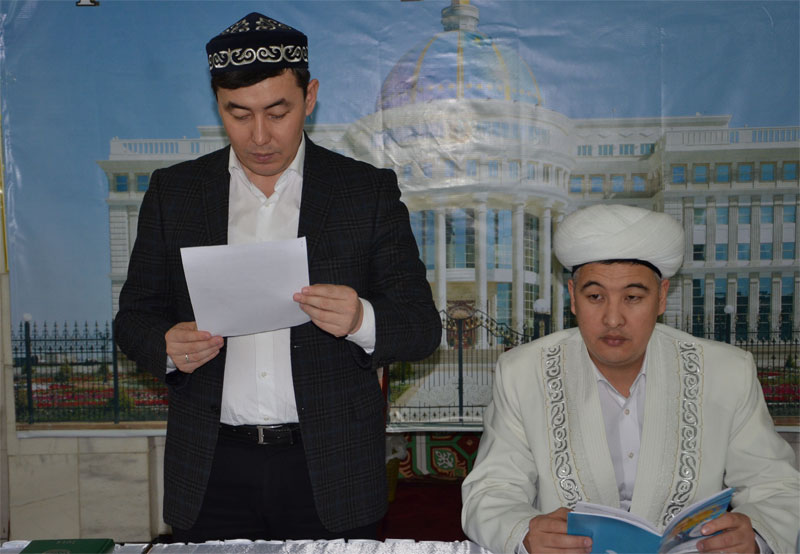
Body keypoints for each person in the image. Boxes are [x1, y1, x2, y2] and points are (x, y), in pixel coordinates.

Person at [114, 12, 441, 542]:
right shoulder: (176, 193)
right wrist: (166, 346)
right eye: (238, 114)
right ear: (217, 103)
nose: (260, 136)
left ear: (309, 97)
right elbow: (134, 317)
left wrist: (361, 319)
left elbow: (421, 328)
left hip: (331, 469)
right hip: (211, 468)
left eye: (277, 112)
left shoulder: (365, 192)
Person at [461, 204, 799, 554]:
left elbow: (776, 488)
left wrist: (754, 536)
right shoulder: (523, 372)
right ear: (573, 297)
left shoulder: (726, 372)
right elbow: (491, 492)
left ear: (662, 297)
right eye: (595, 297)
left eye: (633, 297)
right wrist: (524, 533)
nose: (613, 319)